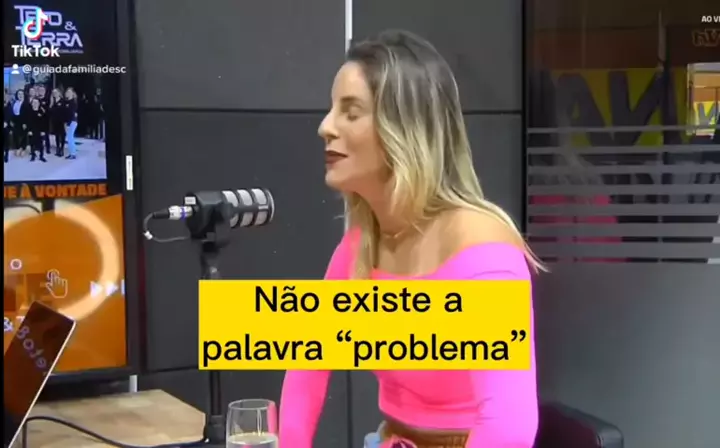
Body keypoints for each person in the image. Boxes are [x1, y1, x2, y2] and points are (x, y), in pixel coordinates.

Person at [279, 30, 540, 448]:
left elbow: (509, 428)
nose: (325, 127)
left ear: (403, 129)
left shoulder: (482, 247)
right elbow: (306, 372)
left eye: (351, 112)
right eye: (332, 110)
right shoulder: (359, 248)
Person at [27, 98, 47, 162]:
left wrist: (43, 131)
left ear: (39, 104)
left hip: (40, 130)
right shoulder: (29, 111)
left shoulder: (42, 111)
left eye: (36, 102)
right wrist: (29, 130)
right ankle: (33, 155)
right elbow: (28, 122)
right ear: (32, 104)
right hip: (32, 130)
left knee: (41, 144)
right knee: (32, 144)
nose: (35, 104)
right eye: (34, 102)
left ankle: (41, 156)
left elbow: (44, 122)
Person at [49, 88, 66, 157]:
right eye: (53, 93)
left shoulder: (63, 101)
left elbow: (65, 111)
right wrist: (51, 104)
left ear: (59, 93)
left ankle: (62, 149)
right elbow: (50, 111)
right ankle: (58, 148)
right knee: (57, 135)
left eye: (56, 92)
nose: (55, 94)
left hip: (62, 121)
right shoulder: (52, 101)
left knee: (62, 135)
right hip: (55, 121)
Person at [63, 87, 79, 160]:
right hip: (68, 122)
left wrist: (68, 124)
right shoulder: (66, 102)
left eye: (69, 92)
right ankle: (71, 153)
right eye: (67, 92)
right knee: (69, 138)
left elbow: (72, 114)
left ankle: (73, 154)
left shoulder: (73, 102)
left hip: (72, 122)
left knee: (70, 137)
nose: (68, 93)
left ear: (72, 93)